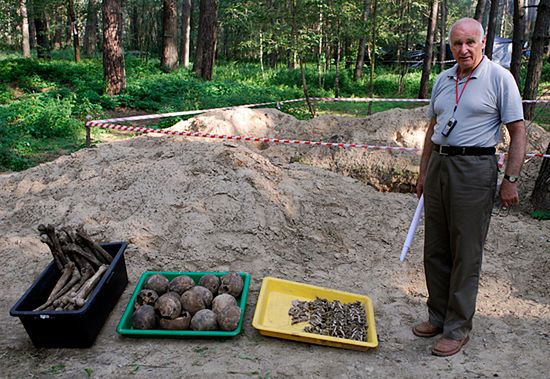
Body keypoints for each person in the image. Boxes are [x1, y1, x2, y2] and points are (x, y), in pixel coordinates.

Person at [414, 17, 527, 357]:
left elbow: (518, 131)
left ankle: (458, 328)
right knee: (435, 248)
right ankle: (437, 316)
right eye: (456, 44)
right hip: (439, 166)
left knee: (466, 252)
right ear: (450, 46)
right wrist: (423, 174)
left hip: (475, 169)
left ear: (482, 43)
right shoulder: (444, 79)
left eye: (469, 43)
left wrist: (510, 179)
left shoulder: (499, 78)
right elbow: (433, 128)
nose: (463, 50)